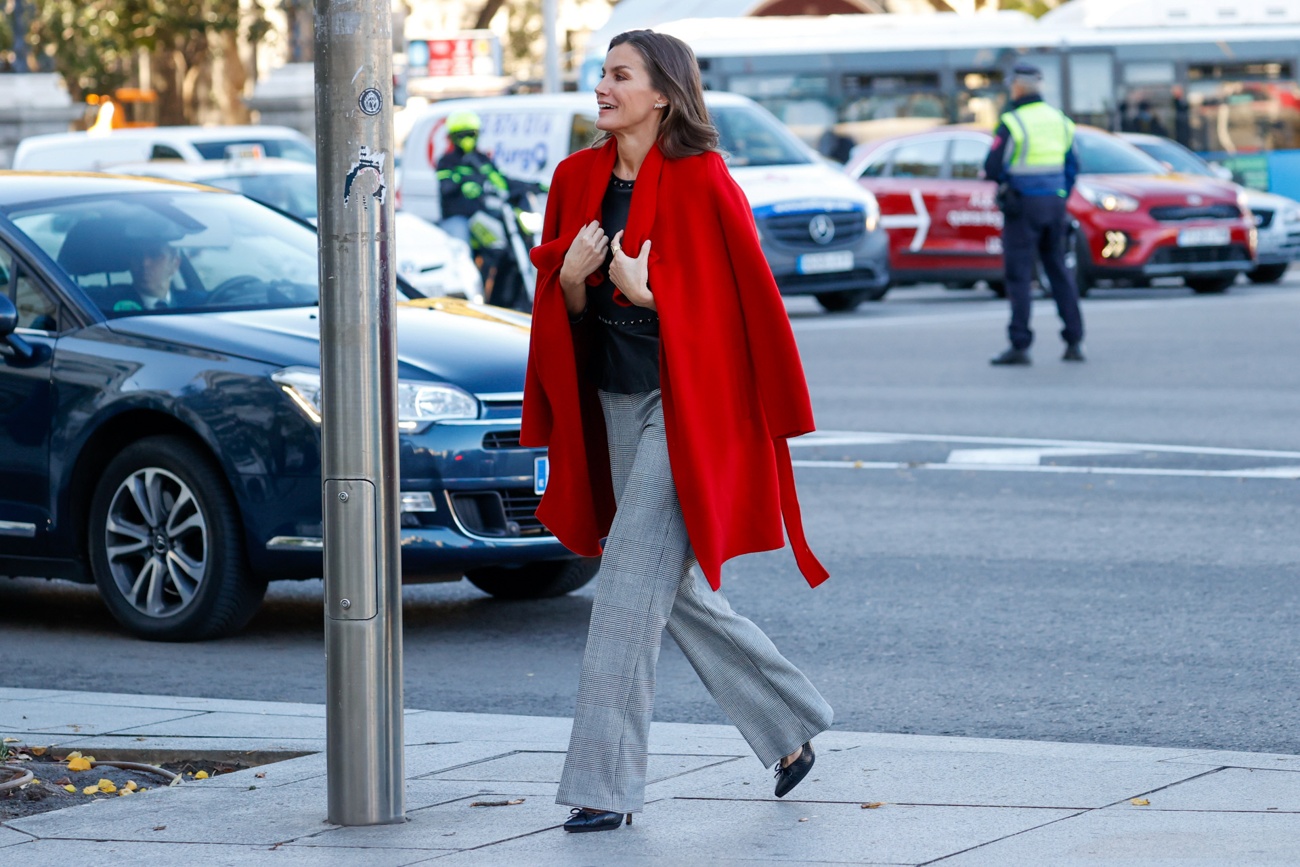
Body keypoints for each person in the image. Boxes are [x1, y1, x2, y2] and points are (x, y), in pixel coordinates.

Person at [521, 29, 834, 833]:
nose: (601, 86)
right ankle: (789, 721)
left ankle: (603, 785)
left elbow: (747, 307)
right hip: (615, 400)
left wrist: (652, 293)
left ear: (662, 92)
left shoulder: (703, 179)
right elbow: (567, 308)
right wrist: (571, 279)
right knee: (671, 586)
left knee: (627, 584)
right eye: (601, 73)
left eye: (618, 75)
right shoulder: (576, 177)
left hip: (687, 405)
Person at [983, 61, 1085, 365]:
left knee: (1019, 276)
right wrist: (1060, 193)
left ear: (1016, 86)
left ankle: (1020, 344)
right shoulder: (1060, 120)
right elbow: (1073, 166)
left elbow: (992, 167)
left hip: (1022, 206)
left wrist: (1008, 185)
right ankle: (1074, 340)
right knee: (1058, 270)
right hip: (1055, 204)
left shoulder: (1013, 122)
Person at [435, 110, 510, 246]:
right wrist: (464, 184)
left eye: (471, 134)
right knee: (461, 249)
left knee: (504, 237)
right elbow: (445, 187)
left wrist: (534, 185)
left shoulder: (482, 159)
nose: (467, 139)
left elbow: (502, 180)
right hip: (457, 217)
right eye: (461, 135)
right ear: (452, 137)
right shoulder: (446, 161)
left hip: (481, 214)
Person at [111, 239, 187, 313]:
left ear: (175, 264)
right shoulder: (108, 307)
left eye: (155, 255)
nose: (144, 263)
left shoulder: (193, 304)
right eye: (137, 255)